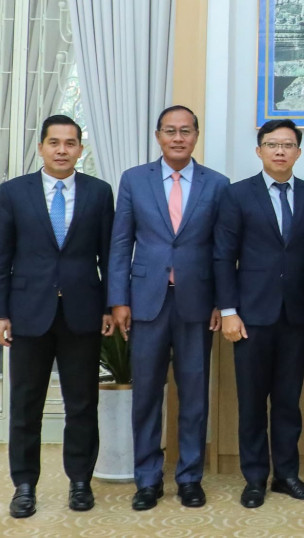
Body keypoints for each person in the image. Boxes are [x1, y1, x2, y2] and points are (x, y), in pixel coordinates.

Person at [0, 114, 114, 518]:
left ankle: (80, 482)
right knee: (26, 405)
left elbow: (109, 257)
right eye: (54, 142)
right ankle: (24, 485)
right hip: (28, 313)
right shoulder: (14, 192)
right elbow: (0, 257)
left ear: (80, 149)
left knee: (82, 404)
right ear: (41, 147)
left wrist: (109, 306)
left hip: (82, 313)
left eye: (70, 143)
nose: (62, 150)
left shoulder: (99, 193)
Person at [108, 105, 229, 510]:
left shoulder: (217, 184)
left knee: (194, 395)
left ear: (196, 136)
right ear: (158, 136)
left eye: (186, 131)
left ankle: (190, 478)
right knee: (146, 394)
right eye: (170, 131)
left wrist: (221, 302)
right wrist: (119, 299)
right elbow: (121, 243)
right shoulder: (134, 180)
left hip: (197, 303)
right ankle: (147, 479)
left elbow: (222, 250)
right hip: (146, 302)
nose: (178, 138)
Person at [214, 119, 304, 508]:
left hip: (297, 317)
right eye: (273, 144)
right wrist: (229, 310)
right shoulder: (237, 195)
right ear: (259, 150)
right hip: (250, 316)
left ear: (298, 152)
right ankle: (255, 478)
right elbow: (223, 257)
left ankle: (287, 475)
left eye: (288, 145)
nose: (280, 151)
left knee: (289, 401)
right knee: (251, 401)